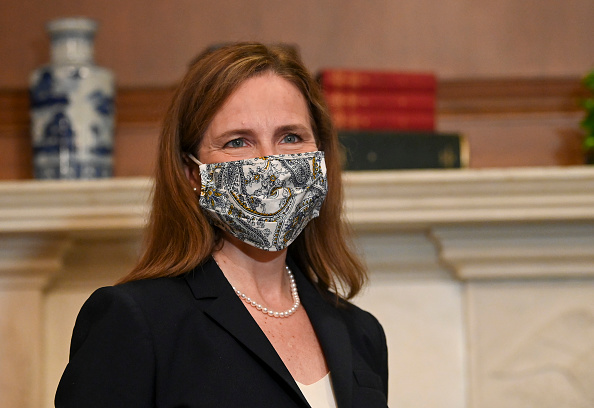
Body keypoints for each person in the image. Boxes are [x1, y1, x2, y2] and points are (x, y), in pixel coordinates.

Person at [55, 42, 388, 408]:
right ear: (192, 173)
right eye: (238, 142)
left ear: (321, 155)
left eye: (290, 137)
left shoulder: (361, 333)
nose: (270, 163)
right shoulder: (136, 321)